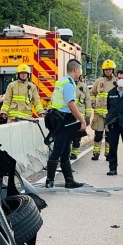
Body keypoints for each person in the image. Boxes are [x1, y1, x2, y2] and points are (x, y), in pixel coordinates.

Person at [44, 59, 89, 188]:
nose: (80, 72)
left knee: (65, 151)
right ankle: (50, 180)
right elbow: (71, 104)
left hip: (58, 119)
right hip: (64, 120)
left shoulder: (61, 81)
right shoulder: (69, 83)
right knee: (58, 151)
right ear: (75, 69)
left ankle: (69, 180)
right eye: (80, 70)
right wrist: (82, 120)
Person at [89, 60, 117, 160]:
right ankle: (96, 153)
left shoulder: (116, 82)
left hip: (111, 115)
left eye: (109, 69)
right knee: (98, 135)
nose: (108, 71)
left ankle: (108, 154)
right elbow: (92, 93)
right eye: (106, 70)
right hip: (99, 114)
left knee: (109, 136)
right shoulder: (98, 81)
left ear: (113, 70)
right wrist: (93, 102)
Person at [69, 76, 93, 160]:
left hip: (80, 116)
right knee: (68, 137)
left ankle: (74, 153)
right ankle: (66, 152)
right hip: (69, 115)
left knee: (77, 137)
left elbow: (88, 102)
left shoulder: (83, 87)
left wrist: (87, 116)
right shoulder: (67, 85)